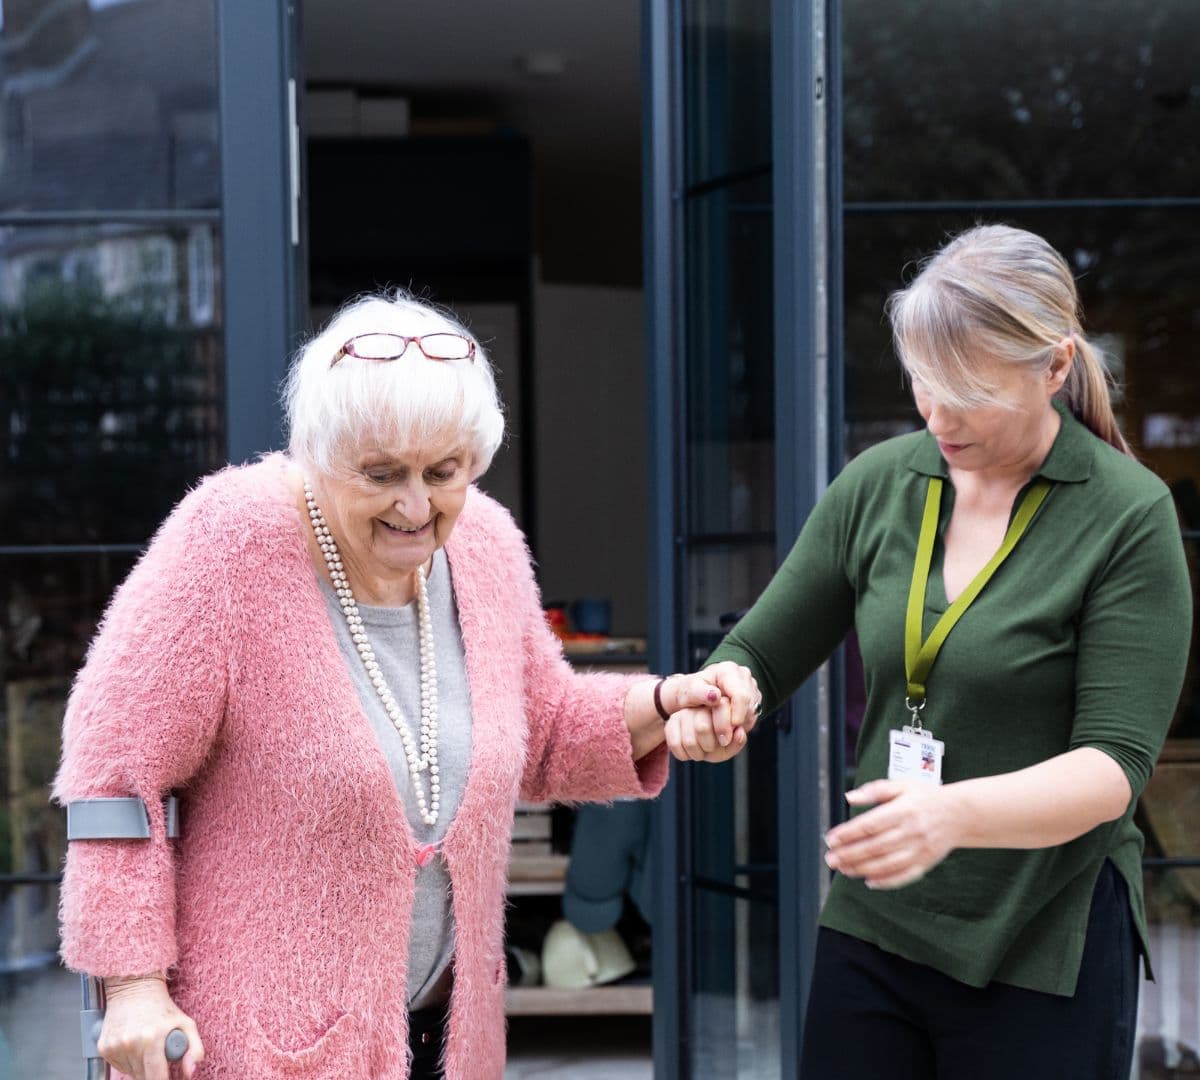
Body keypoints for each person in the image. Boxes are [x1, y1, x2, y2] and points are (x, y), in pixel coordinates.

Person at [53, 290, 760, 1080]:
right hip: (259, 1049)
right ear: (319, 454)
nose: (416, 505)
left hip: (446, 1044)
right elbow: (113, 771)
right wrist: (133, 988)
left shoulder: (485, 544)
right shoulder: (228, 543)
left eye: (443, 472)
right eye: (382, 473)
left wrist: (664, 705)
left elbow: (547, 727)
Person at [704, 224, 1193, 1079]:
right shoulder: (878, 483)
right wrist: (720, 693)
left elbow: (1113, 767)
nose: (936, 413)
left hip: (1044, 935)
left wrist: (949, 816)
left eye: (967, 390)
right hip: (878, 921)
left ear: (1054, 367)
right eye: (923, 380)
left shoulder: (1128, 513)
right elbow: (761, 652)